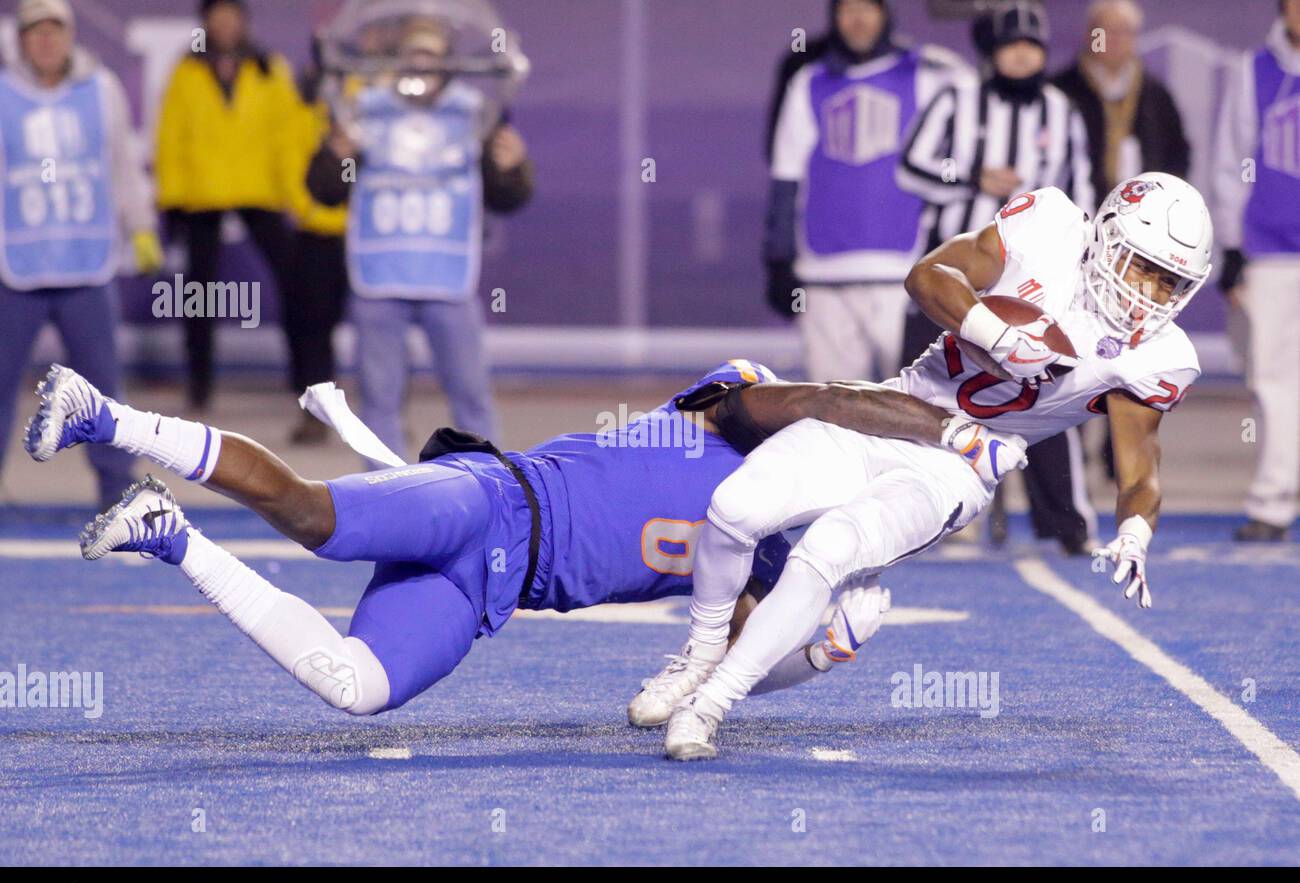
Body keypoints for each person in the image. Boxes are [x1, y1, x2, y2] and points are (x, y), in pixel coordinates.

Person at [24, 360, 1024, 717]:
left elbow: (732, 664)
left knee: (357, 686)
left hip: (488, 596)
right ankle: (102, 412)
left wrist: (816, 654)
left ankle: (165, 532)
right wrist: (938, 428)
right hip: (491, 500)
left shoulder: (760, 547)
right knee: (315, 518)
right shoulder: (731, 409)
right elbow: (806, 396)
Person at [650, 172, 1213, 760]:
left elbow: (1140, 471)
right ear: (1105, 236)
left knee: (830, 548)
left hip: (957, 471)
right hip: (896, 411)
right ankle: (700, 654)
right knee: (736, 507)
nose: (1149, 292)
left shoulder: (1160, 355)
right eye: (1141, 266)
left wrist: (1134, 533)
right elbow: (928, 275)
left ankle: (708, 706)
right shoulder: (1048, 225)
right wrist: (993, 332)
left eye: (1170, 281)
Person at [896, 0, 1097, 554]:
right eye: (1011, 46)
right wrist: (970, 177)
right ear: (989, 52)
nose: (1021, 56)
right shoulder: (957, 98)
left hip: (1033, 285)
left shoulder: (1061, 110)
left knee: (1049, 398)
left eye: (1031, 46)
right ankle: (927, 514)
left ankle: (1066, 522)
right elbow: (910, 164)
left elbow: (1082, 196)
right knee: (929, 393)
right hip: (953, 273)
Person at [307, 17, 532, 460]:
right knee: (379, 406)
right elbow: (325, 191)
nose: (421, 68)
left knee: (471, 401)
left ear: (448, 63)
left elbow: (506, 196)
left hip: (447, 281)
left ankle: (488, 495)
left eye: (432, 57)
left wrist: (514, 167)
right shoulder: (366, 110)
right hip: (379, 278)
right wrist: (336, 156)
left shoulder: (470, 113)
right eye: (413, 56)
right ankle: (388, 497)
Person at [0, 0, 160, 508]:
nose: (46, 41)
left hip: (86, 262)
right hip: (15, 268)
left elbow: (122, 164)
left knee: (101, 390)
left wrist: (141, 225)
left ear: (69, 36)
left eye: (54, 31)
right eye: (35, 32)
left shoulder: (101, 90)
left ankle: (117, 491)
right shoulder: (3, 95)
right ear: (20, 40)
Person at [764, 0, 969, 383]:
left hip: (907, 278)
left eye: (867, 8)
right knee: (831, 412)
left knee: (919, 405)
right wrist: (778, 260)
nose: (857, 20)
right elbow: (786, 176)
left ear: (885, 13)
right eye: (847, 9)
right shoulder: (809, 81)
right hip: (824, 279)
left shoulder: (929, 73)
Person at [155, 0, 299, 409]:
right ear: (205, 23)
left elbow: (286, 136)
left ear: (243, 21)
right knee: (200, 294)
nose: (224, 25)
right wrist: (172, 199)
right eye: (216, 17)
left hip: (260, 190)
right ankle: (199, 385)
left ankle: (305, 381)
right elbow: (171, 137)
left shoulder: (269, 67)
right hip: (204, 193)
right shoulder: (187, 71)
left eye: (231, 16)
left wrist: (295, 196)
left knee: (295, 284)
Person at [1215, 0, 1300, 542]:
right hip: (1272, 252)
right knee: (1273, 380)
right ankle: (1273, 502)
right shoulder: (1254, 71)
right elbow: (1230, 161)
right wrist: (1231, 249)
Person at [1051, 0, 1190, 213]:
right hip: (1073, 214)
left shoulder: (1156, 95)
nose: (1115, 39)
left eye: (1124, 31)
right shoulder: (1060, 92)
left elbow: (1176, 153)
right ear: (1090, 35)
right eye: (1106, 31)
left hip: (1143, 216)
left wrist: (1163, 202)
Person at [281, 35, 348, 446]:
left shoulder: (368, 99)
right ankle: (315, 412)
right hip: (316, 233)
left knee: (389, 324)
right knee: (312, 325)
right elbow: (287, 157)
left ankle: (387, 407)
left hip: (364, 234)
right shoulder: (302, 104)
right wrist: (307, 209)